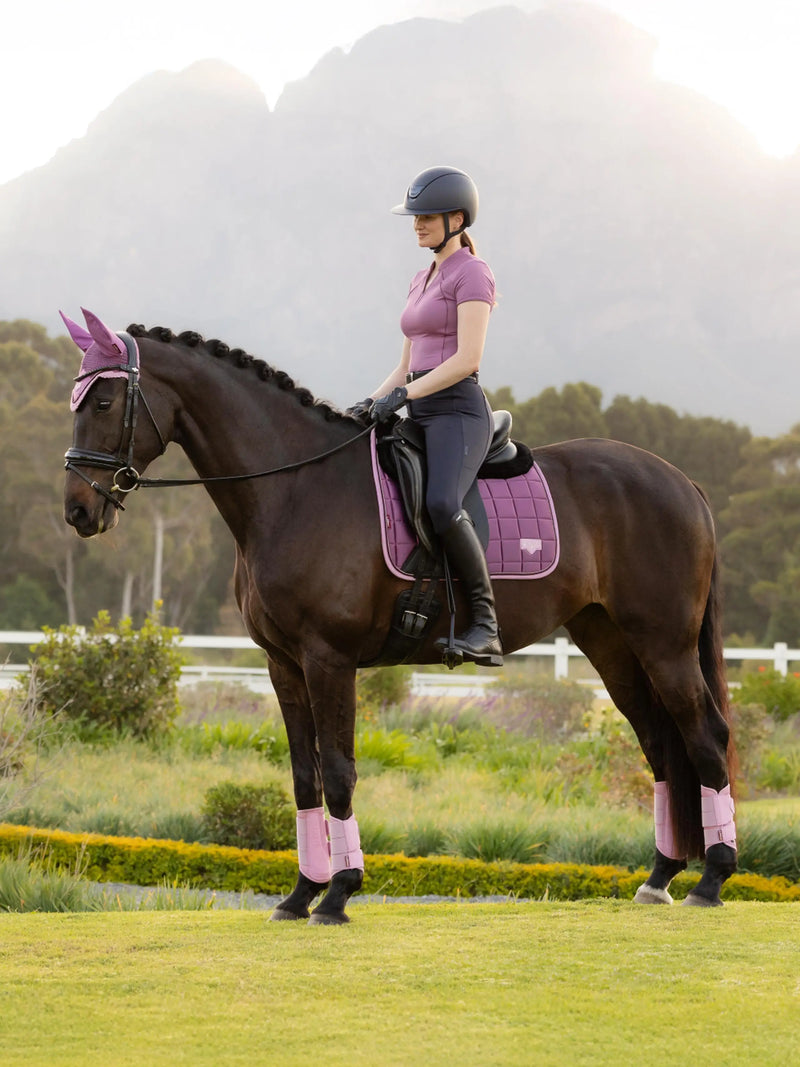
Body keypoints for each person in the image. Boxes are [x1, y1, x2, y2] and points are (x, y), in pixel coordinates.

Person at [349, 165, 502, 667]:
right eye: (413, 217)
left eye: (426, 217)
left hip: (458, 410)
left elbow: (468, 358)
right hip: (419, 405)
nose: (416, 224)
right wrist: (369, 404)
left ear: (456, 219)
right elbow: (404, 365)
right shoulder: (422, 277)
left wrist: (407, 395)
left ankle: (486, 624)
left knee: (440, 502)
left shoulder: (473, 273)